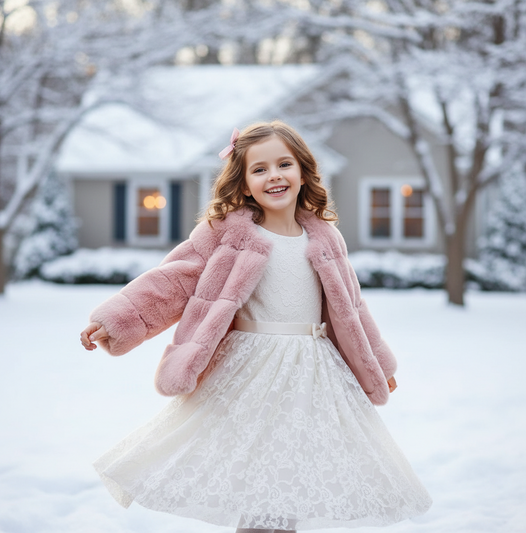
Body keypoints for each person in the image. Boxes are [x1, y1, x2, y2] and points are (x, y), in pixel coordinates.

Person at [80, 121, 432, 532]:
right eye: (259, 169)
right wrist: (117, 321)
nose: (274, 176)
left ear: (302, 172)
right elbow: (174, 281)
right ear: (244, 183)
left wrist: (377, 364)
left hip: (312, 375)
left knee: (288, 477)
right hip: (249, 374)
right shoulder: (228, 234)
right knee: (257, 481)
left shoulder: (325, 238)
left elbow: (351, 309)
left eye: (284, 164)